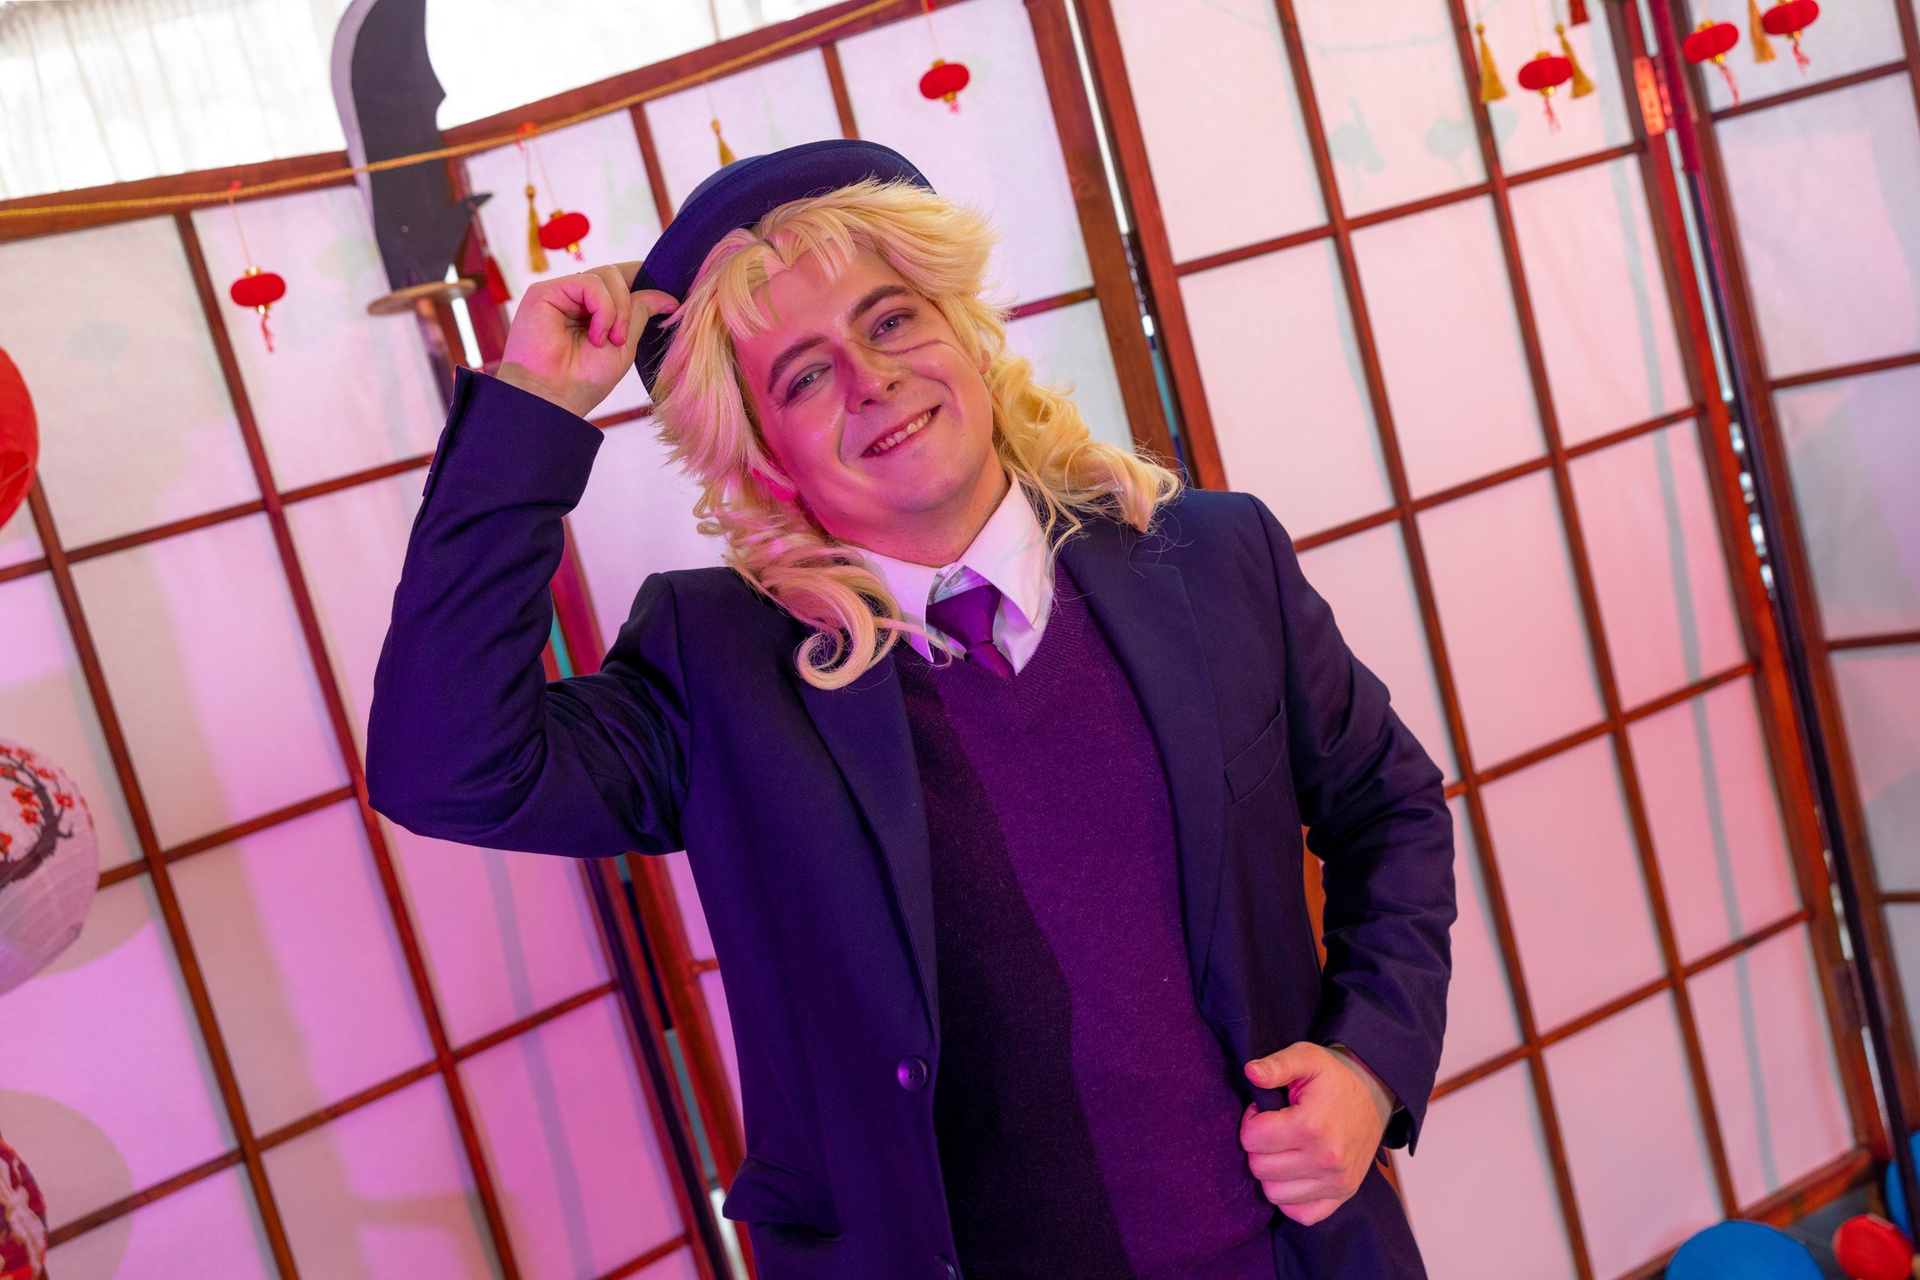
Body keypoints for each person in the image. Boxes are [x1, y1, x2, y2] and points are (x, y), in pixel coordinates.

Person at [368, 139, 1454, 1280]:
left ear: (967, 333)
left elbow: (1391, 808)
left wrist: (1369, 1064)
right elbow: (447, 767)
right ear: (764, 456)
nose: (871, 378)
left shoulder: (1214, 558)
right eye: (803, 376)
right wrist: (530, 414)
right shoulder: (717, 669)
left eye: (891, 320)